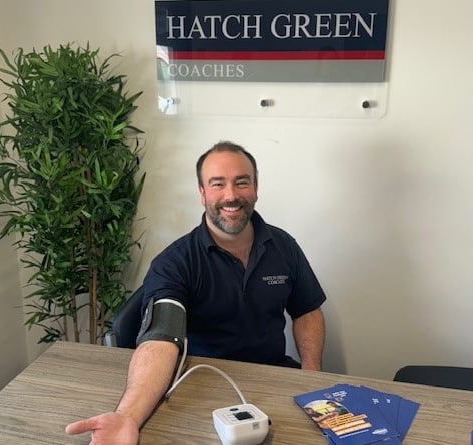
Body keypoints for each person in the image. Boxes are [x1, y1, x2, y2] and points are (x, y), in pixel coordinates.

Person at [65, 141, 326, 444]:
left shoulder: (284, 246)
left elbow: (307, 310)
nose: (231, 195)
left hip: (274, 377)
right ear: (202, 193)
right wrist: (128, 417)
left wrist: (311, 375)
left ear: (255, 188)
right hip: (201, 386)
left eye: (242, 182)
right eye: (218, 184)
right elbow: (160, 338)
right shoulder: (175, 263)